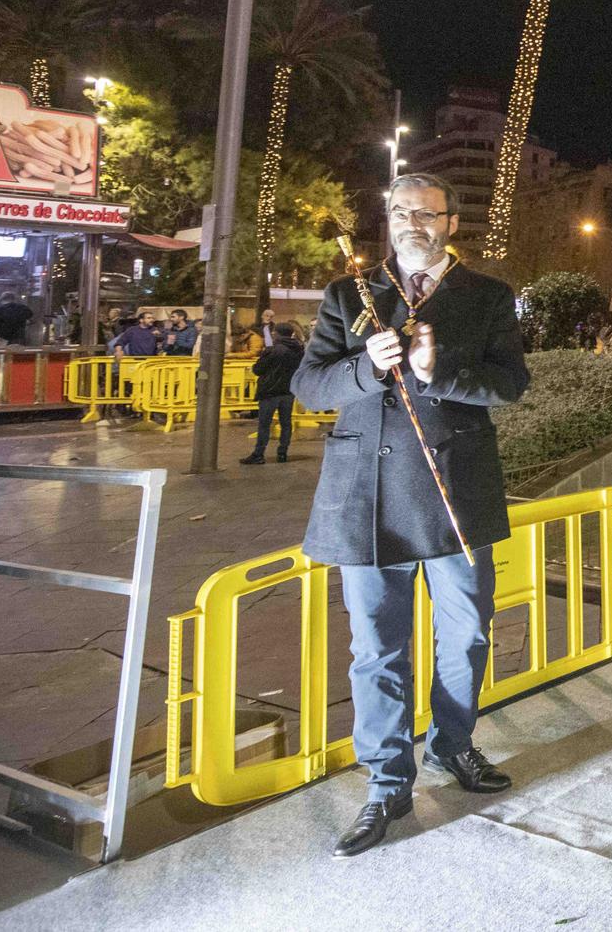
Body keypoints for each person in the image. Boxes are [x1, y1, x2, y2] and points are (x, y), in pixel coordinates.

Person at [294, 172, 529, 859]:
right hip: (366, 500)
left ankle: (452, 746)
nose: (410, 222)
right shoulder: (348, 295)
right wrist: (366, 367)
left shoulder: (488, 295)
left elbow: (512, 383)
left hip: (457, 494)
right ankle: (387, 780)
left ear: (452, 221)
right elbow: (309, 385)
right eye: (399, 210)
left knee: (466, 638)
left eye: (425, 212)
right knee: (377, 648)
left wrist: (436, 369)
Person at [242, 322, 304, 465]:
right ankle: (282, 453)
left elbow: (258, 369)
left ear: (277, 334)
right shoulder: (299, 350)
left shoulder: (272, 350)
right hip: (288, 391)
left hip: (270, 392)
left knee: (264, 423)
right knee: (286, 423)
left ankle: (259, 454)